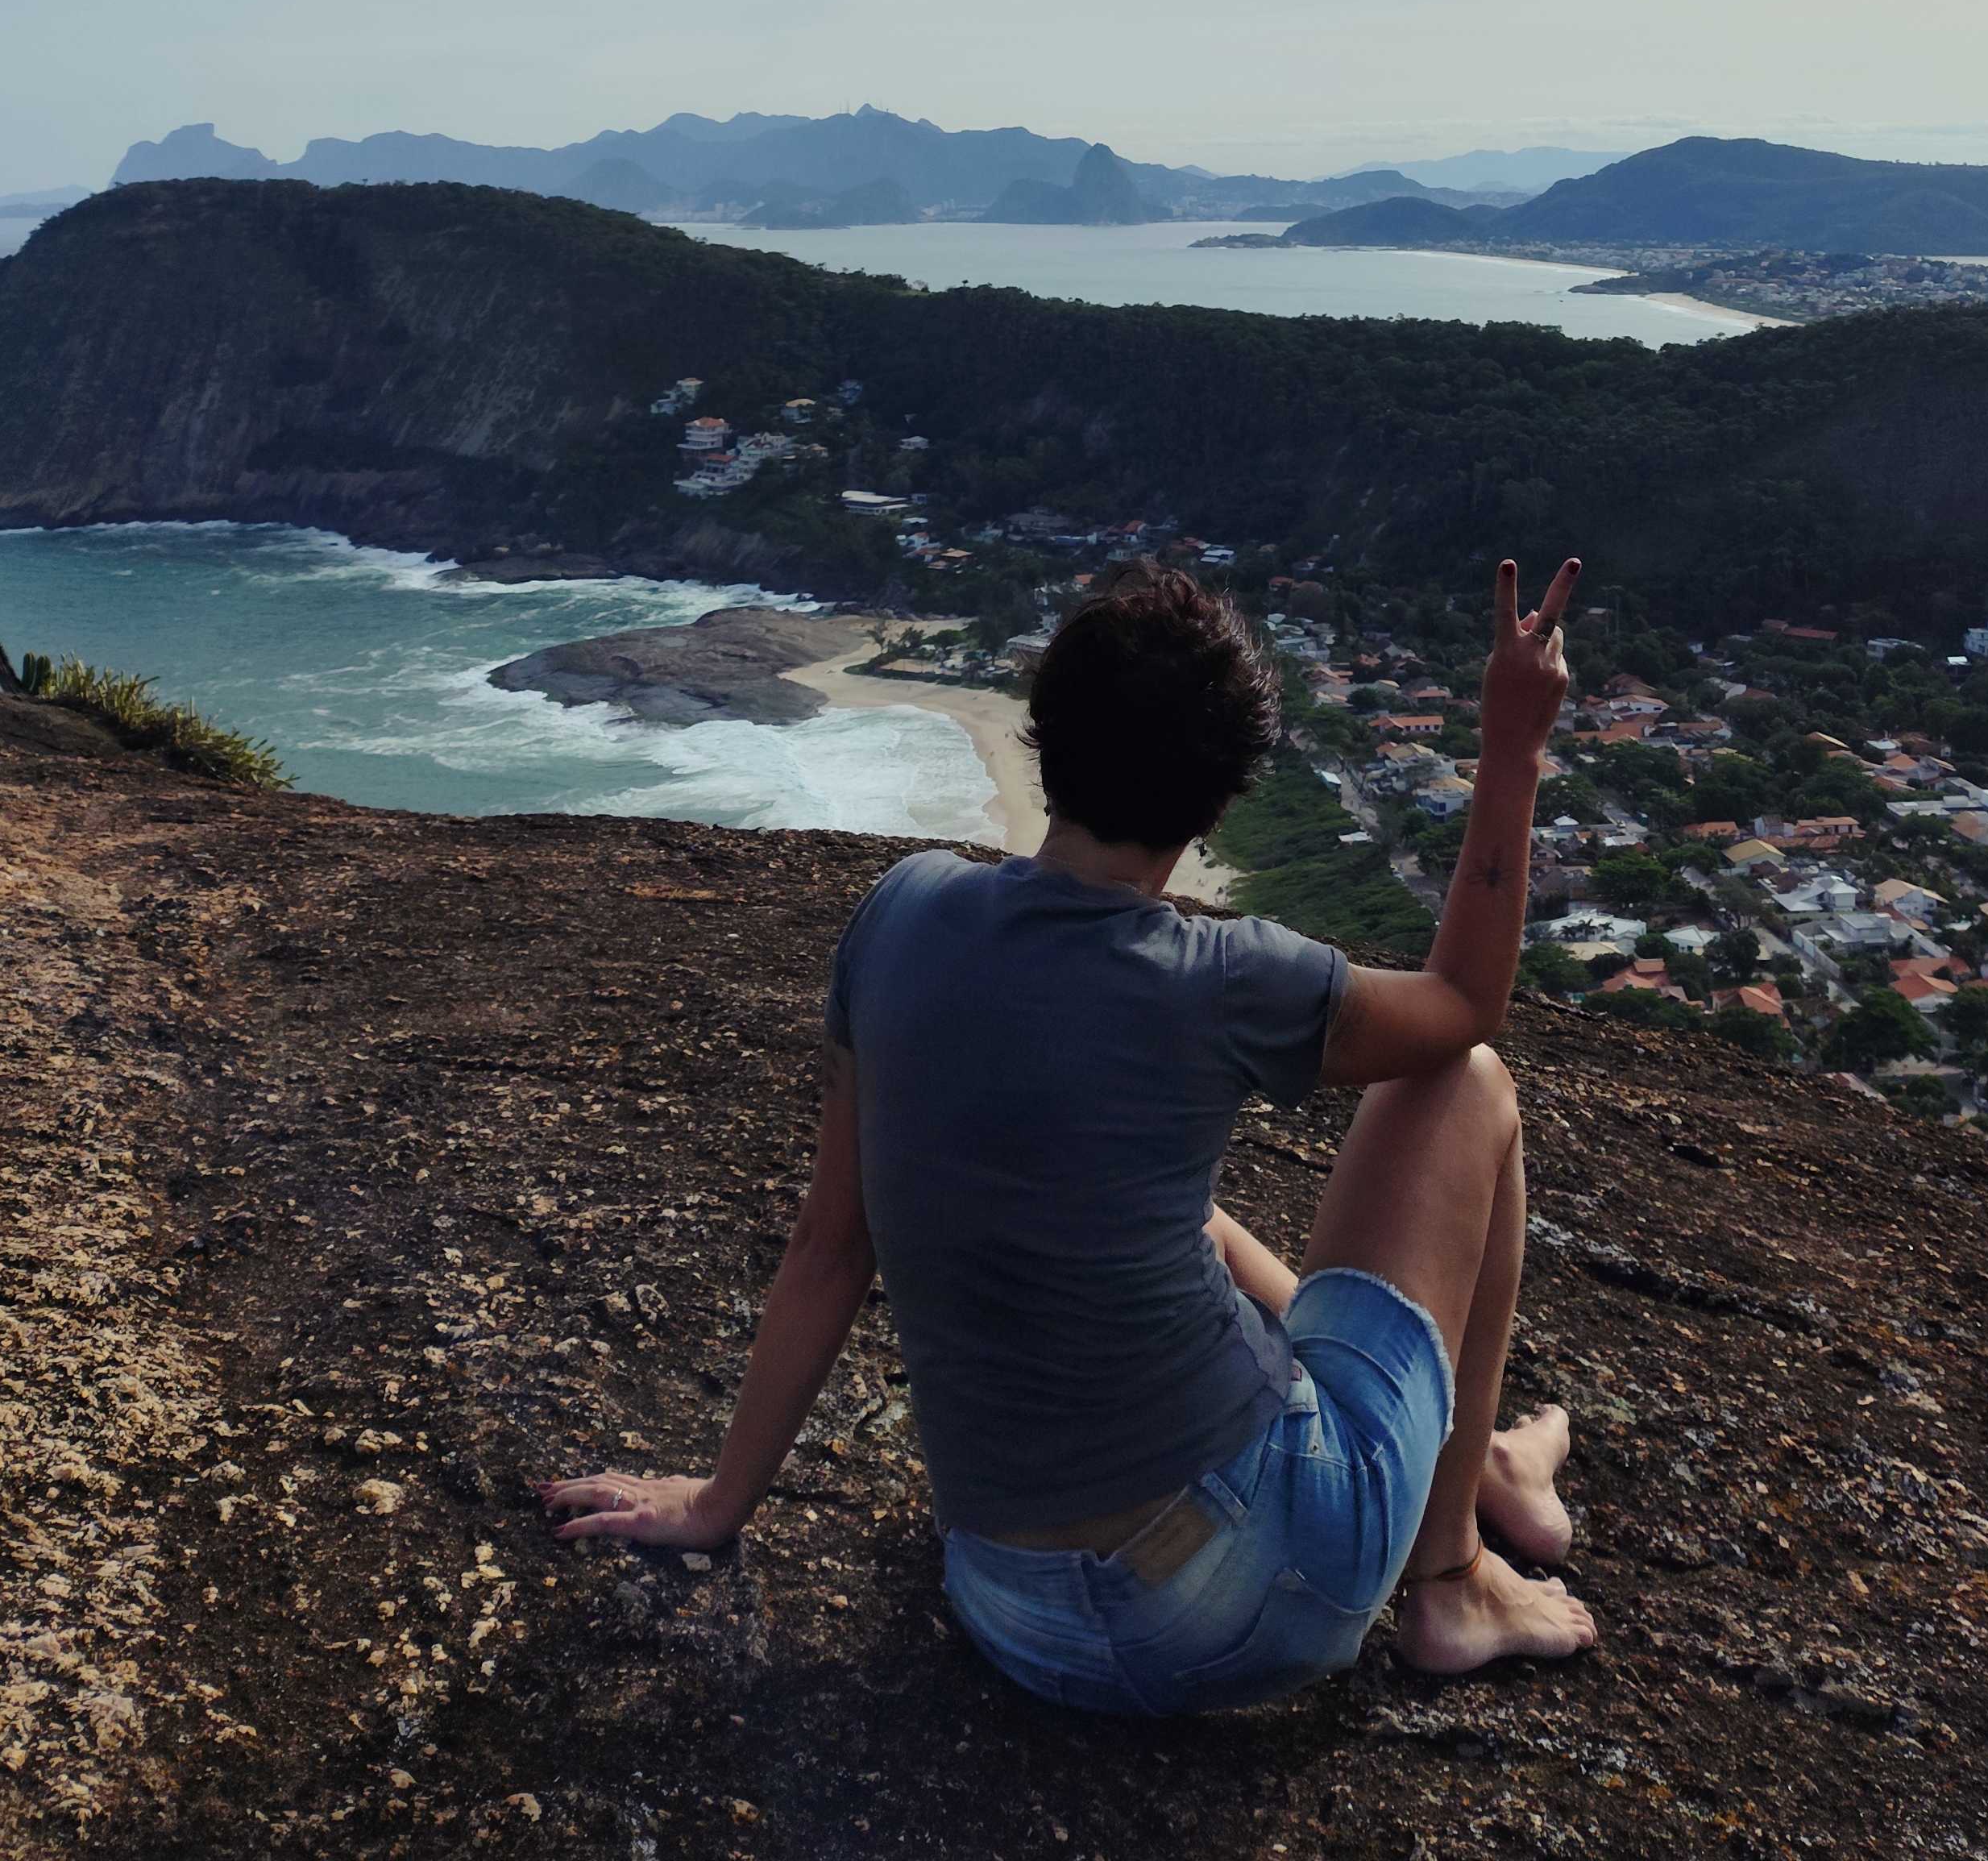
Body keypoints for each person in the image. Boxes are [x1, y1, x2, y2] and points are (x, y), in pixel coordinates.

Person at [542, 555, 1596, 1711]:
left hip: (1014, 1610)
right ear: (1224, 795)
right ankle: (1452, 1577)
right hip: (1254, 1595)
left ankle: (1474, 1451)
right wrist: (1509, 747)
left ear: (1043, 740)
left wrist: (714, 1503)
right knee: (1463, 1085)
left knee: (1131, 1191)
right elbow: (1464, 1006)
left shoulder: (897, 918)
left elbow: (830, 1252)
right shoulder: (1222, 978)